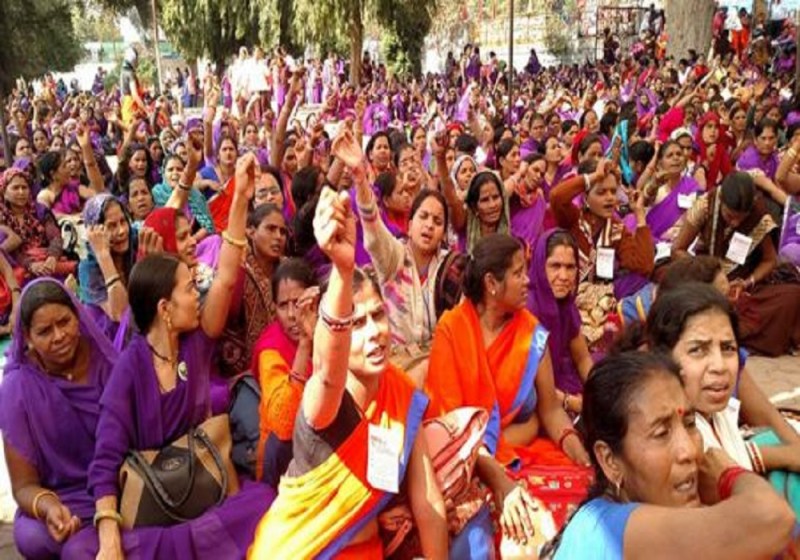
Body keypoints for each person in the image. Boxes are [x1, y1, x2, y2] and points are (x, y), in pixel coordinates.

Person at [76, 154, 275, 559]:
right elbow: (105, 458)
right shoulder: (131, 366)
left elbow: (227, 274)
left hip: (201, 484)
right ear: (165, 308)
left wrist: (239, 199)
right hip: (154, 503)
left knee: (265, 502)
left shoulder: (197, 343)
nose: (197, 291)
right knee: (87, 549)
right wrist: (109, 537)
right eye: (188, 288)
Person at [249, 185, 449, 559]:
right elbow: (327, 371)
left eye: (377, 316)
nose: (373, 333)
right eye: (356, 323)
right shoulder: (323, 400)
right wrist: (342, 270)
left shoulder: (399, 391)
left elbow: (429, 503)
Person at [545, 351, 795, 559]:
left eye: (689, 423)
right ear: (610, 461)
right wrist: (727, 475)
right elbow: (773, 518)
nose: (689, 450)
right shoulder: (604, 529)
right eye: (661, 432)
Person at [426, 234, 591, 534]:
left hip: (519, 453)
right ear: (491, 283)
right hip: (466, 462)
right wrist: (500, 478)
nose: (527, 280)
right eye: (518, 273)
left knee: (583, 496)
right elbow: (450, 428)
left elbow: (551, 411)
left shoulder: (531, 332)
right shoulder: (451, 331)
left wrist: (579, 453)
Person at [628, 283, 800, 516]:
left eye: (728, 348)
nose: (720, 366)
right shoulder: (674, 441)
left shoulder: (720, 413)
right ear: (663, 358)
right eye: (698, 350)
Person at [0, 280, 117, 560]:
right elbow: (24, 486)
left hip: (116, 485)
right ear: (27, 337)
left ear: (77, 314)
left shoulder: (104, 361)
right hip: (64, 498)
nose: (59, 336)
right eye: (44, 331)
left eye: (64, 322)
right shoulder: (18, 388)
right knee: (31, 535)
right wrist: (49, 507)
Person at [674, 171, 800, 356]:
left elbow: (769, 260)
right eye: (730, 215)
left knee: (793, 295)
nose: (735, 223)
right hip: (706, 280)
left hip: (741, 286)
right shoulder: (705, 205)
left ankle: (722, 331)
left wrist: (747, 282)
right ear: (722, 201)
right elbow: (678, 250)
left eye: (741, 218)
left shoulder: (757, 213)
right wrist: (709, 276)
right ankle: (726, 330)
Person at [550, 159, 654, 350]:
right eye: (601, 192)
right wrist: (594, 176)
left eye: (613, 192)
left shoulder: (616, 229)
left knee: (642, 283)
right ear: (585, 197)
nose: (609, 198)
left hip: (600, 305)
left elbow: (643, 265)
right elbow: (556, 197)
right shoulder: (573, 219)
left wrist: (639, 214)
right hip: (566, 296)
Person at [252, 258, 319, 486]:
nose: (292, 315)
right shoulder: (271, 349)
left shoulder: (330, 332)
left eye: (298, 302)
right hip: (283, 455)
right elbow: (283, 425)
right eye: (283, 305)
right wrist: (304, 345)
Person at [530, 229, 593, 415]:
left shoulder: (566, 305)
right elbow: (529, 386)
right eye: (555, 266)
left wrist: (599, 390)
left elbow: (582, 358)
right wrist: (573, 403)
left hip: (559, 383)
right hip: (536, 395)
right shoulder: (528, 309)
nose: (564, 276)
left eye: (570, 267)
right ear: (541, 266)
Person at [0, 168, 73, 286]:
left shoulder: (40, 211)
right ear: (4, 191)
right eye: (15, 188)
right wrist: (30, 264)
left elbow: (55, 237)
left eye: (24, 187)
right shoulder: (1, 217)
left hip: (48, 261)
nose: (21, 192)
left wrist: (52, 257)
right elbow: (11, 251)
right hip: (18, 266)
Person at [78, 194, 136, 339]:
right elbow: (120, 314)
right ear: (95, 232)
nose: (122, 231)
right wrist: (103, 256)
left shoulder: (135, 243)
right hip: (111, 336)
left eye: (123, 221)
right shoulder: (88, 268)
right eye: (111, 226)